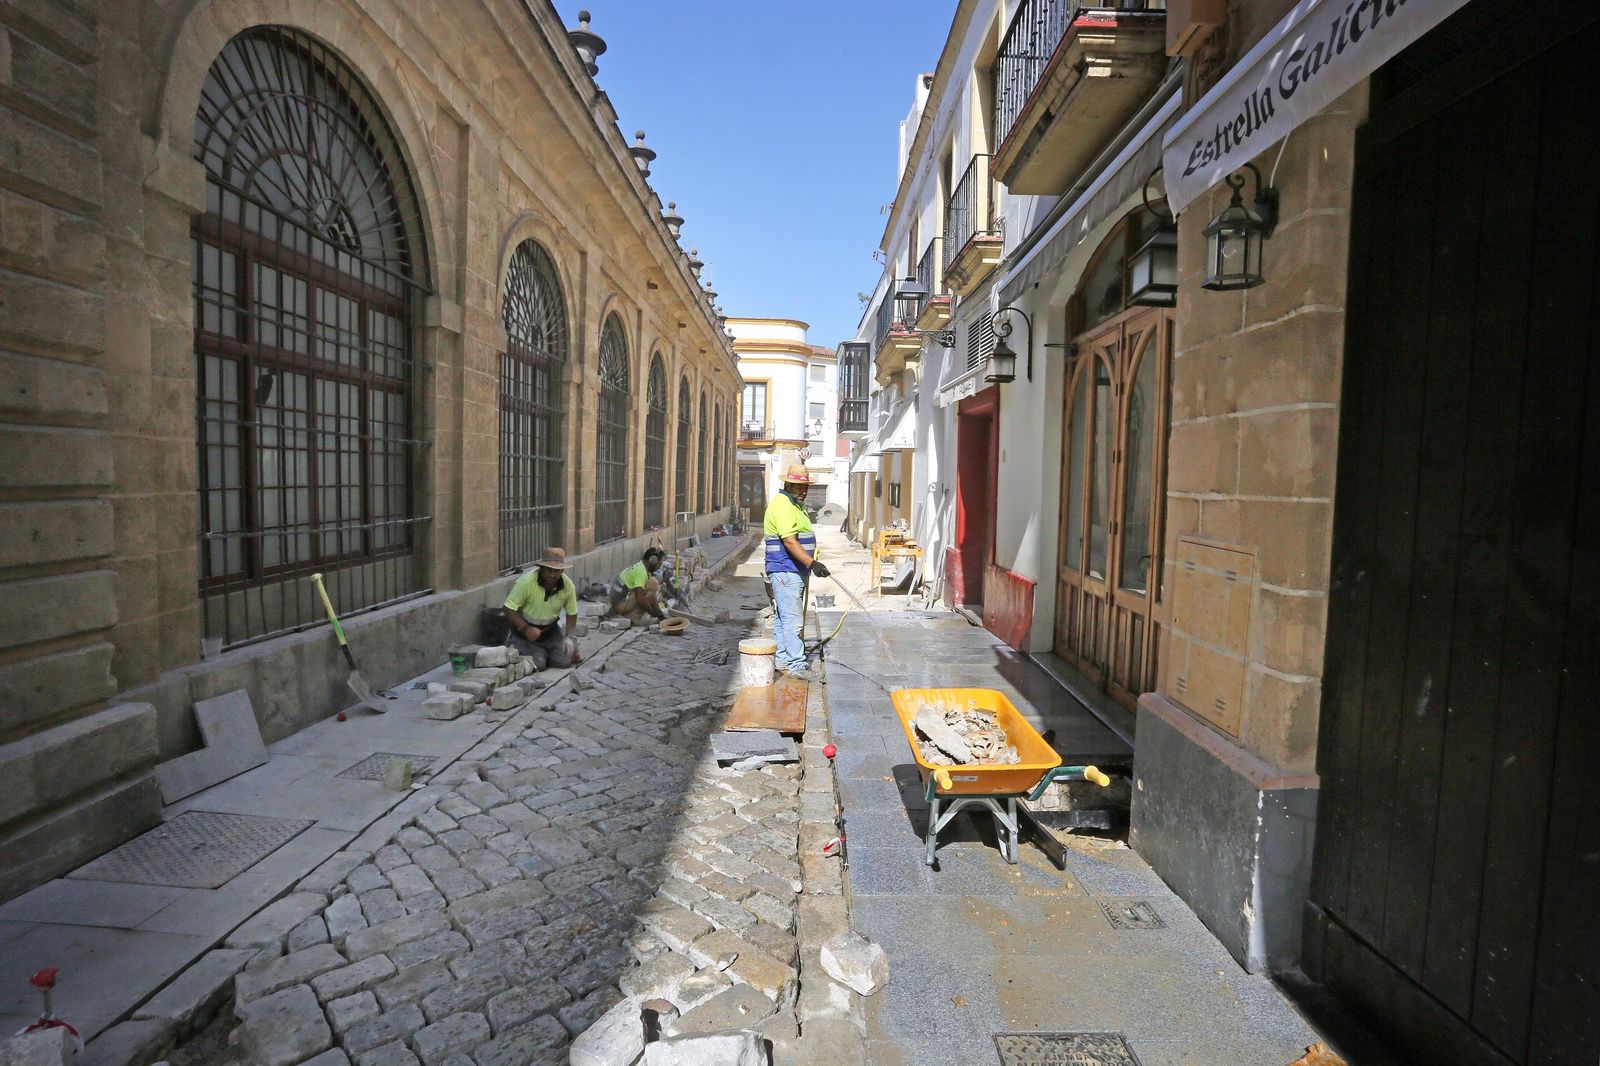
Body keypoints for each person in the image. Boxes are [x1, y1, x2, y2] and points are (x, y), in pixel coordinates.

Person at [763, 464, 829, 683]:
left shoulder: (794, 505)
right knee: (793, 621)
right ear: (788, 484)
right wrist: (812, 563)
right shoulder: (782, 505)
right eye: (799, 486)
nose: (803, 491)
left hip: (792, 571)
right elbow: (789, 541)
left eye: (805, 487)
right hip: (785, 571)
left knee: (783, 618)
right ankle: (797, 665)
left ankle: (782, 660)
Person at [502, 546, 582, 669]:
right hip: (524, 632)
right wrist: (526, 628)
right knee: (539, 663)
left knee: (564, 662)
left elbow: (572, 613)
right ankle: (514, 642)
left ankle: (548, 651)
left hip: (550, 631)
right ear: (541, 568)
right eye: (549, 570)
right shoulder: (526, 582)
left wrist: (569, 637)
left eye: (557, 571)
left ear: (562, 571)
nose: (552, 575)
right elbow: (508, 608)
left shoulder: (568, 586)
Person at [607, 547, 668, 621]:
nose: (659, 568)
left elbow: (651, 598)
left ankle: (633, 614)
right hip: (620, 605)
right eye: (659, 564)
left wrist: (658, 612)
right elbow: (640, 598)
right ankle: (634, 617)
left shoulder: (641, 566)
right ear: (652, 561)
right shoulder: (641, 572)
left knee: (651, 585)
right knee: (652, 585)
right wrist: (653, 612)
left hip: (619, 600)